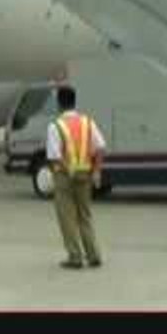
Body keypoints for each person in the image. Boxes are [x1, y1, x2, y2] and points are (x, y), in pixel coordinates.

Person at [47, 85, 106, 270]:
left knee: (67, 218)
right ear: (74, 102)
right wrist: (96, 171)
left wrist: (67, 169)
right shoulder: (87, 123)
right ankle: (93, 254)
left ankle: (75, 257)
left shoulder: (56, 126)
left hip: (65, 176)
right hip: (85, 175)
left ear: (59, 103)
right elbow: (100, 148)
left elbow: (54, 156)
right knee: (85, 216)